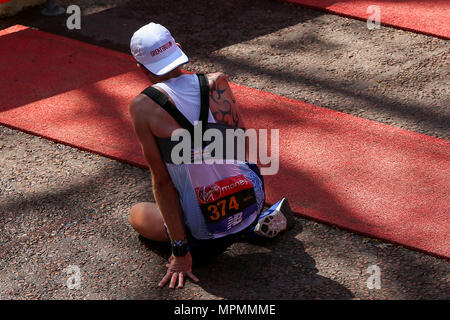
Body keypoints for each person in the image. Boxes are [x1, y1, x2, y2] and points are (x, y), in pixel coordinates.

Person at [128, 22, 295, 289]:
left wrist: (181, 252)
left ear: (141, 67)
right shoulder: (216, 82)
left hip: (205, 232)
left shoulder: (143, 106)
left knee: (137, 213)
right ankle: (253, 222)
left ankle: (221, 232)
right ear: (179, 50)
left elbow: (162, 182)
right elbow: (238, 146)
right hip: (250, 196)